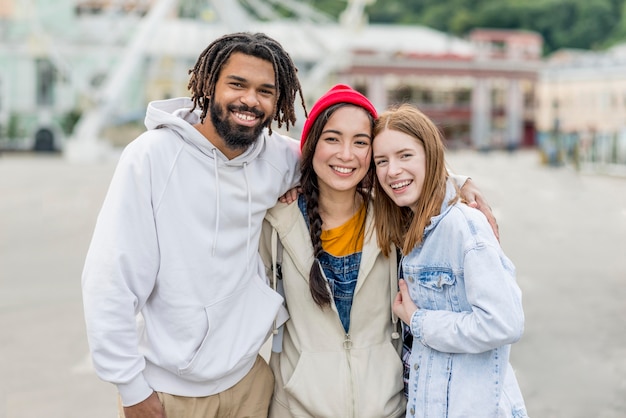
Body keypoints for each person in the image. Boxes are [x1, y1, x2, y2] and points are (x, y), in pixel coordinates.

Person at [81, 32, 306, 418]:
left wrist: (446, 190)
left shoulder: (281, 160)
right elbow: (109, 278)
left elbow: (351, 167)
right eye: (237, 84)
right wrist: (131, 388)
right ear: (208, 85)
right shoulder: (151, 157)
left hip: (250, 380)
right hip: (168, 391)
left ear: (278, 101)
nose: (250, 100)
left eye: (265, 91)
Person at [258, 85, 493, 418]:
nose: (346, 154)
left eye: (360, 142)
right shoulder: (276, 222)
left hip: (388, 408)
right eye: (332, 139)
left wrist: (454, 180)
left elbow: (415, 172)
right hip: (297, 408)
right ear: (310, 146)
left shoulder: (393, 217)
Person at [371, 103, 528, 418]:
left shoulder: (463, 225)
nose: (392, 171)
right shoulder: (407, 224)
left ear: (431, 157)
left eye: (405, 156)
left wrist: (418, 320)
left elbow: (504, 323)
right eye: (382, 161)